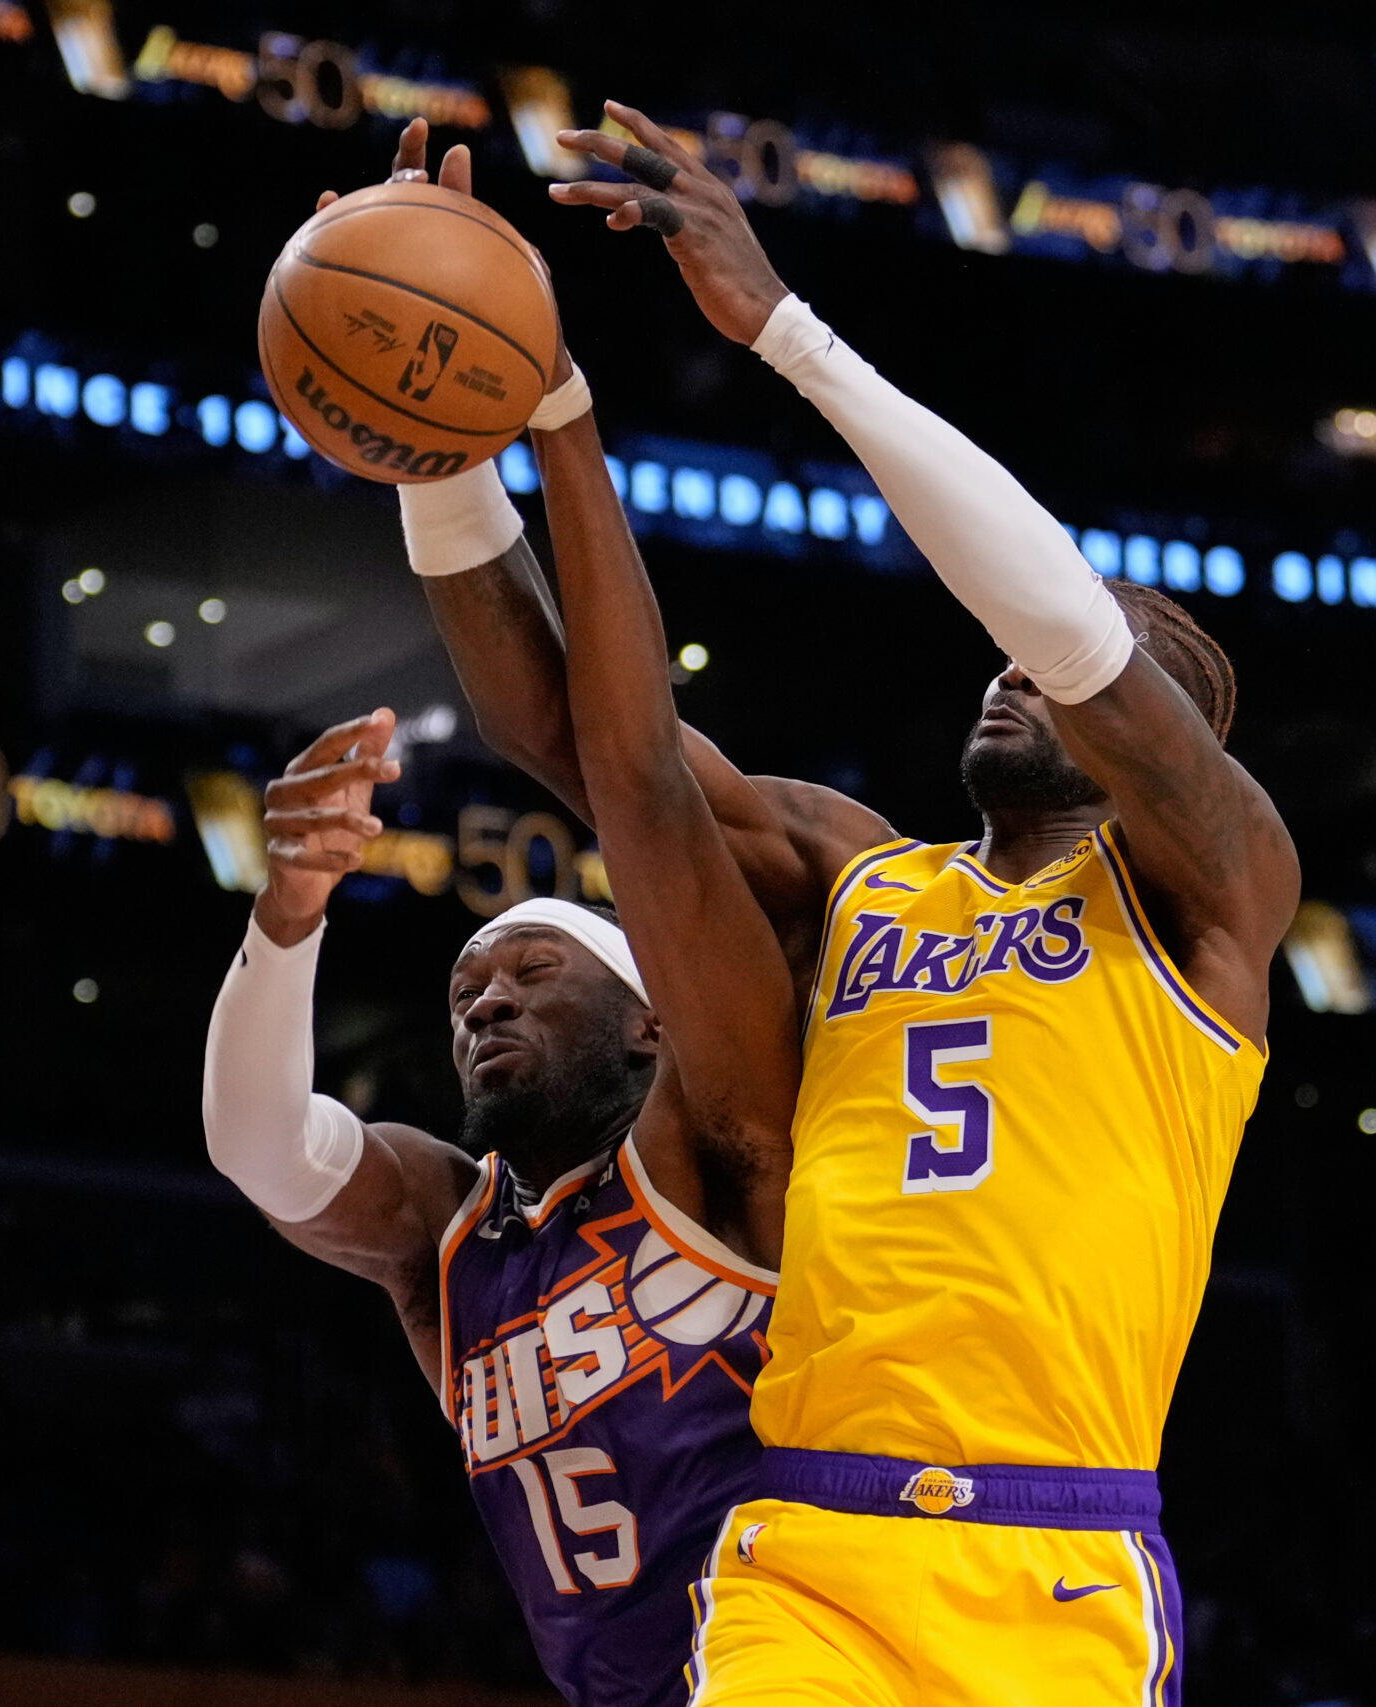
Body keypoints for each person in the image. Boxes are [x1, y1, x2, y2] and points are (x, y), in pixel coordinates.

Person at [397, 103, 1303, 1705]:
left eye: (1090, 659)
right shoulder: (861, 871)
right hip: (808, 1545)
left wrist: (790, 334)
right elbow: (586, 741)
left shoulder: (1215, 900)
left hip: (1055, 1563)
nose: (1016, 659)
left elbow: (1059, 613)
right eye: (1005, 651)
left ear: (1180, 740)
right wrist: (490, 424)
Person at [199, 661, 793, 1707]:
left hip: (802, 1668)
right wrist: (287, 914)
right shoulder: (447, 1224)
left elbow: (696, 882)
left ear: (649, 1023)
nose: (486, 1005)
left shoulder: (705, 1145)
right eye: (466, 992)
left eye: (534, 973)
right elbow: (258, 1145)